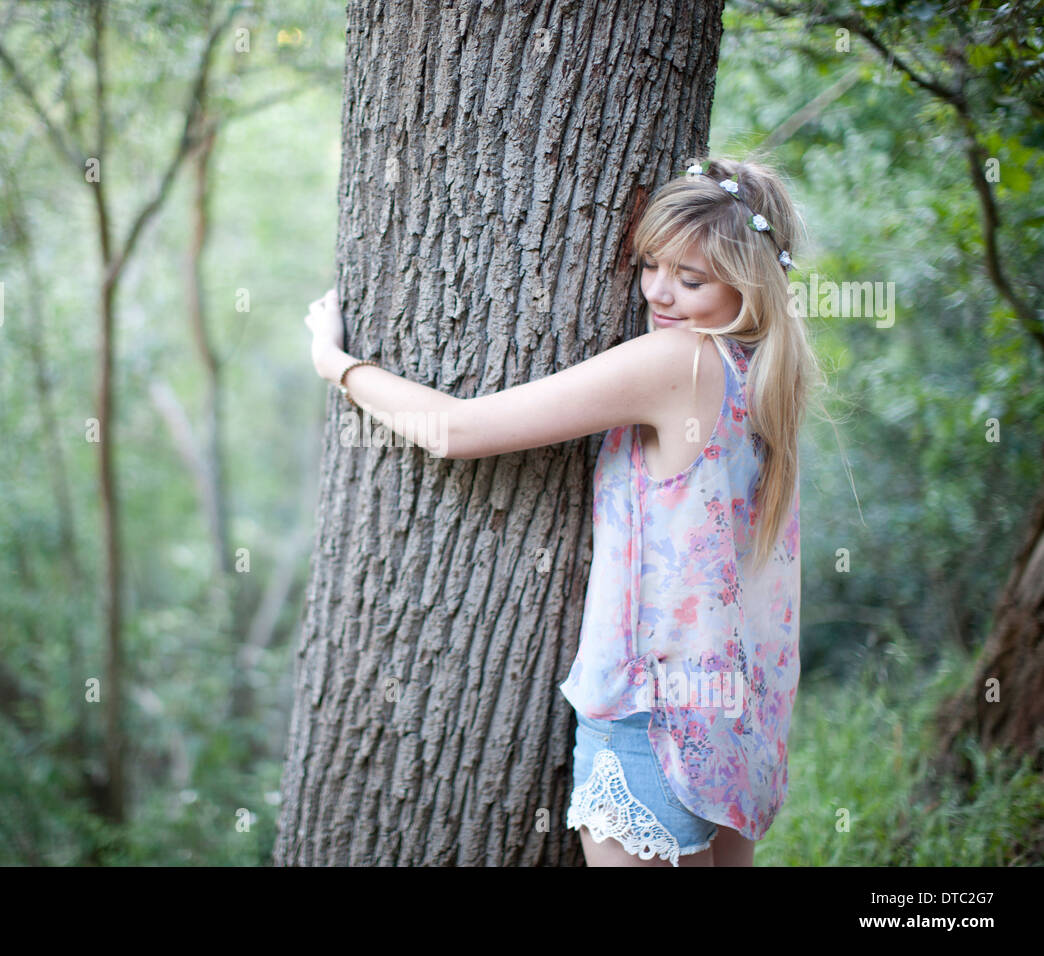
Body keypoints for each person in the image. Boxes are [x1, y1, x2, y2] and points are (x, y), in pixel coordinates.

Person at [303, 156, 826, 866]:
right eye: (650, 265)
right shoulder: (759, 375)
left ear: (749, 283)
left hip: (652, 721)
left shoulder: (679, 360)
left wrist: (336, 364)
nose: (658, 293)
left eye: (691, 279)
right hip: (731, 722)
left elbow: (460, 431)